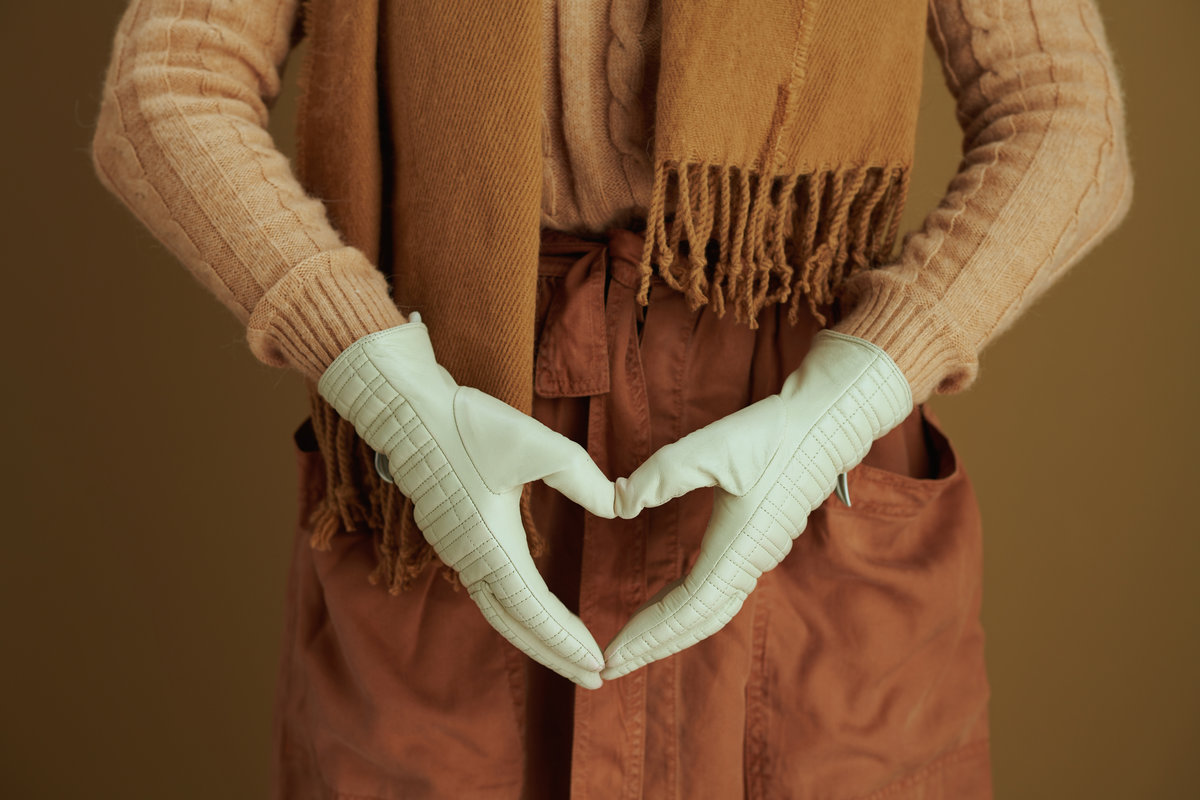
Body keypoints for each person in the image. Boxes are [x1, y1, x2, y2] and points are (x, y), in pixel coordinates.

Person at [91, 0, 1133, 797]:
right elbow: (165, 83)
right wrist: (386, 386)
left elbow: (1065, 114)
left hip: (807, 453)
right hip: (461, 428)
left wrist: (854, 392)